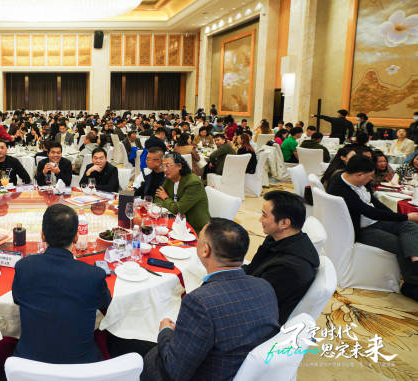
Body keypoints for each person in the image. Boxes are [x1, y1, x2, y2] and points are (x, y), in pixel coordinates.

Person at [141, 218, 279, 381]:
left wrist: (165, 331)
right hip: (242, 371)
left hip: (209, 374)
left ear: (205, 250)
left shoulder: (199, 302)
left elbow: (174, 370)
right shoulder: (265, 286)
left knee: (140, 348)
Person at [12, 204, 111, 363]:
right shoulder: (94, 276)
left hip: (29, 365)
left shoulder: (24, 267)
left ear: (42, 236)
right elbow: (107, 307)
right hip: (82, 368)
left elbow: (17, 299)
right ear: (76, 237)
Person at [327, 155, 418, 300]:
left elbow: (374, 202)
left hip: (373, 221)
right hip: (361, 229)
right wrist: (406, 216)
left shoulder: (356, 181)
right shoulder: (341, 189)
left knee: (409, 227)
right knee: (401, 242)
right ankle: (411, 284)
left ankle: (415, 263)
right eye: (369, 176)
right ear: (359, 174)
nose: (371, 179)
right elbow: (369, 211)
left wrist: (399, 217)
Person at [243, 191, 319, 324]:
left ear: (284, 223)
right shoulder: (278, 238)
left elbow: (255, 302)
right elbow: (253, 268)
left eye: (264, 215)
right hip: (253, 291)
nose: (260, 219)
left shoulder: (289, 268)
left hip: (257, 319)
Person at [154, 152, 210, 233]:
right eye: (163, 166)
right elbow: (157, 198)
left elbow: (178, 209)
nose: (165, 170)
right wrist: (173, 207)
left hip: (193, 228)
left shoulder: (193, 183)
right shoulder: (170, 177)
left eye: (168, 166)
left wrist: (166, 198)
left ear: (179, 166)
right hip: (175, 222)